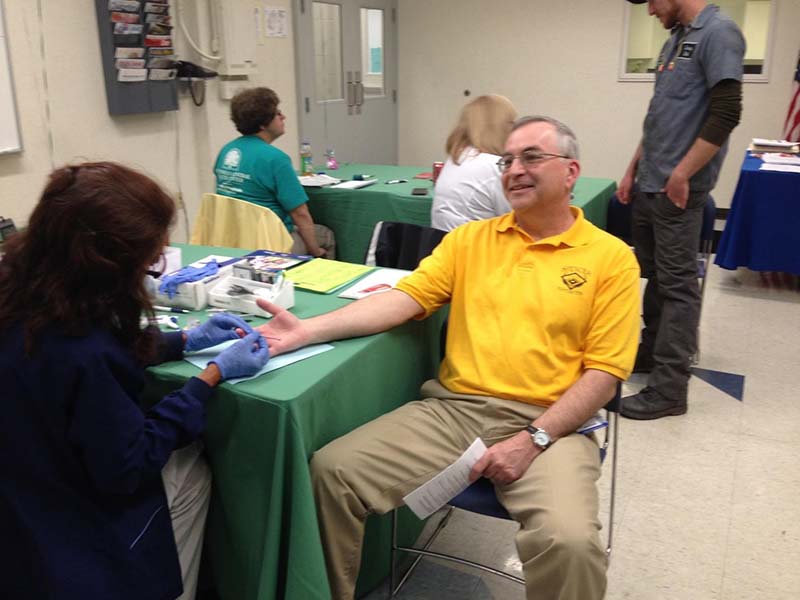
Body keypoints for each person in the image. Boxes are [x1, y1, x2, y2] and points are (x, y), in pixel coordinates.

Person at [256, 117, 641, 600]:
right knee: (331, 474)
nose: (515, 170)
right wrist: (305, 330)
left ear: (571, 172)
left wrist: (533, 438)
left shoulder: (610, 258)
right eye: (507, 160)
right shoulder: (470, 241)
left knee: (570, 542)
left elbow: (605, 373)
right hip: (455, 410)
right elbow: (403, 298)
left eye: (532, 157)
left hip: (553, 425)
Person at [0, 162, 270, 600]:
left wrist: (181, 339)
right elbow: (129, 465)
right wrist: (210, 378)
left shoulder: (23, 286)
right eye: (150, 259)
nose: (156, 265)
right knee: (192, 471)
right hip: (67, 524)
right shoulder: (85, 352)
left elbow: (83, 341)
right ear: (107, 264)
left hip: (19, 495)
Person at [618, 0, 744, 420]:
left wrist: (683, 174)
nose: (651, 11)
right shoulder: (675, 40)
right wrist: (633, 167)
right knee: (655, 276)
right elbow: (661, 115)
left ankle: (670, 389)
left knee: (677, 287)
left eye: (652, 2)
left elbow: (727, 113)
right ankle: (652, 353)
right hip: (651, 181)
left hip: (677, 189)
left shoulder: (719, 33)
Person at [214, 87, 335, 258]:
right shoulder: (276, 159)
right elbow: (300, 214)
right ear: (263, 123)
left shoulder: (226, 151)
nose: (283, 117)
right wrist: (315, 251)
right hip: (271, 245)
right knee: (326, 236)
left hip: (232, 242)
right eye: (277, 113)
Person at [431, 94, 517, 231]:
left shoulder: (458, 158)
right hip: (477, 248)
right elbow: (520, 219)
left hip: (447, 244)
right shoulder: (494, 166)